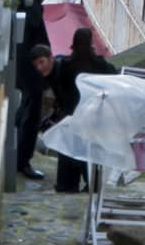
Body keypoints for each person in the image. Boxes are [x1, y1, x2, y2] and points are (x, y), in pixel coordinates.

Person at [48, 27, 117, 194]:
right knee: (92, 152)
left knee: (69, 151)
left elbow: (58, 87)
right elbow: (113, 80)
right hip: (92, 116)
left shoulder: (65, 65)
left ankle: (67, 185)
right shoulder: (100, 65)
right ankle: (93, 184)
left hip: (71, 115)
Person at [16, 0, 55, 180]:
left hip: (26, 66)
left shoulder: (27, 2)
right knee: (30, 115)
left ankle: (20, 157)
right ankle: (23, 161)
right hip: (30, 68)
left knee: (26, 111)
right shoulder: (31, 5)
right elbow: (34, 28)